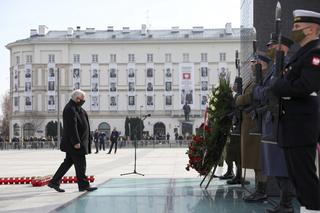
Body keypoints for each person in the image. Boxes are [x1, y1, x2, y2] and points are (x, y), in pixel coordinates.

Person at [270, 10, 320, 211]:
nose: (293, 31)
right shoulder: (304, 52)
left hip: (301, 126)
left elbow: (305, 86)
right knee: (299, 178)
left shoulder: (315, 52)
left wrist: (278, 86)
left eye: (297, 27)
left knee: (305, 178)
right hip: (293, 125)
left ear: (311, 29)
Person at [253, 34, 295, 213]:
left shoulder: (286, 66)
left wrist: (261, 91)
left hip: (281, 122)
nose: (268, 49)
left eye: (272, 46)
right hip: (271, 122)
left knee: (282, 164)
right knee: (275, 164)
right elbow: (263, 91)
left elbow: (269, 92)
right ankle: (284, 203)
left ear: (282, 47)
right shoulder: (274, 68)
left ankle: (286, 204)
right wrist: (261, 91)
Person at [48, 89, 97, 192]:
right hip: (75, 144)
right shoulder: (70, 109)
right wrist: (76, 142)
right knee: (81, 164)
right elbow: (71, 127)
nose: (84, 101)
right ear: (77, 98)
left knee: (68, 162)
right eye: (83, 99)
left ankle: (54, 182)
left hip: (77, 142)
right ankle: (83, 185)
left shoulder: (77, 108)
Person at [236, 53, 269, 202]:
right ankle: (259, 189)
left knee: (258, 160)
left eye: (254, 62)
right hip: (249, 123)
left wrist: (238, 99)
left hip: (255, 123)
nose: (251, 64)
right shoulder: (255, 79)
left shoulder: (262, 79)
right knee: (255, 161)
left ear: (262, 64)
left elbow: (249, 97)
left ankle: (261, 191)